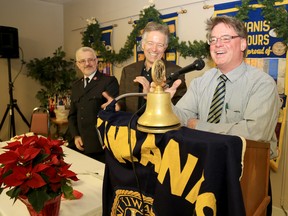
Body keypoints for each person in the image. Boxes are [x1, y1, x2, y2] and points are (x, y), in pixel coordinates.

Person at [167, 15, 280, 216]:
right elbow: (183, 114)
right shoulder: (202, 81)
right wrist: (163, 103)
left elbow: (254, 132)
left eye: (226, 38)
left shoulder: (262, 84)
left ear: (243, 43)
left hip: (247, 176)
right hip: (205, 170)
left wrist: (198, 125)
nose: (217, 45)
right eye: (213, 39)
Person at [115, 21, 187, 114]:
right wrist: (117, 106)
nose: (154, 49)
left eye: (160, 45)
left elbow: (181, 109)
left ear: (165, 48)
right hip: (132, 126)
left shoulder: (176, 72)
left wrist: (158, 98)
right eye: (150, 43)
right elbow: (123, 101)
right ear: (143, 45)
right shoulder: (128, 71)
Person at [68, 46, 119, 163]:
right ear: (78, 64)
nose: (87, 64)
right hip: (79, 144)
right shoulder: (76, 86)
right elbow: (72, 115)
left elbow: (115, 116)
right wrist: (75, 136)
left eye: (90, 60)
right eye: (82, 61)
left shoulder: (109, 81)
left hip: (100, 146)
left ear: (96, 61)